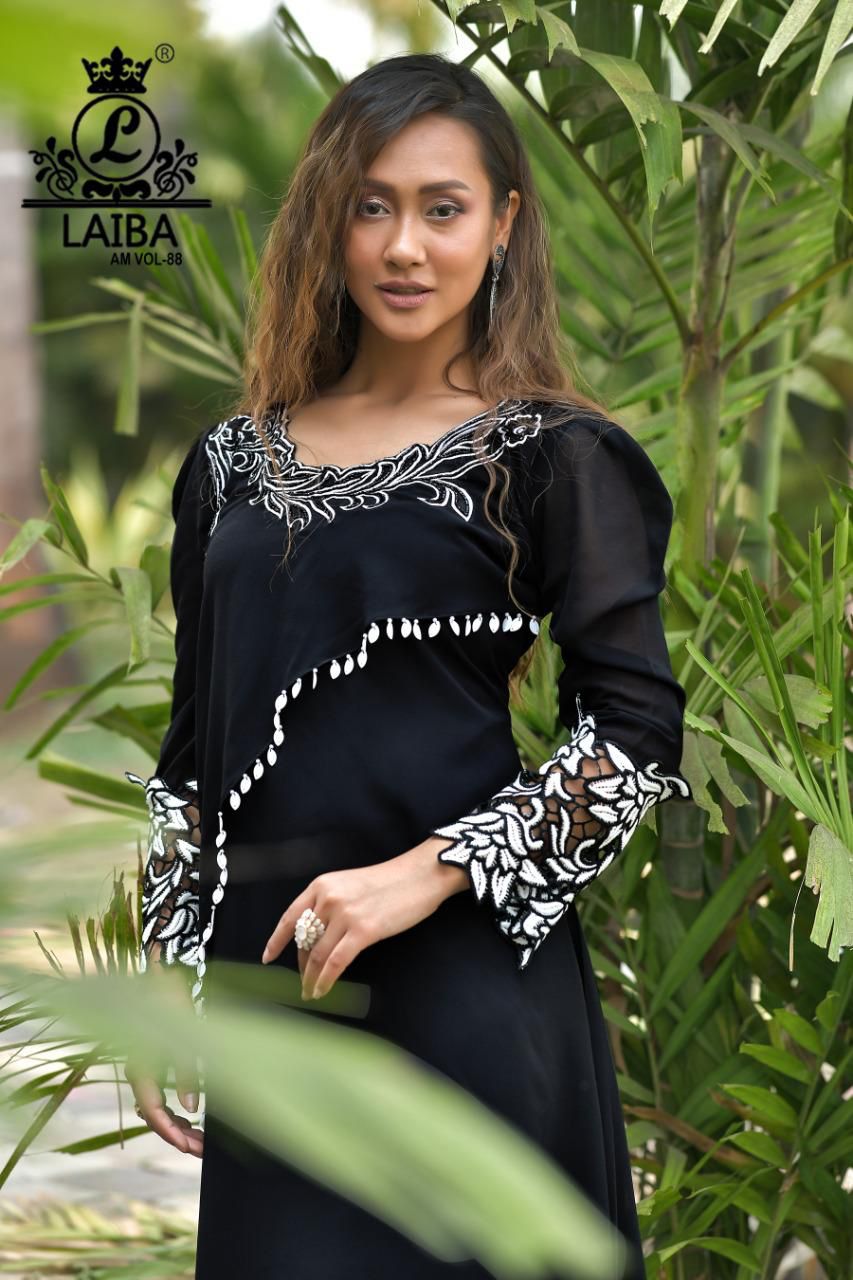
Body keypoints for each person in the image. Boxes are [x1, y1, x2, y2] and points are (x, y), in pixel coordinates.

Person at [123, 51, 692, 1280]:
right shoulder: (229, 464)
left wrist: (422, 875)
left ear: (504, 225)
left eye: (443, 208)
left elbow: (634, 731)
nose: (403, 246)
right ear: (328, 221)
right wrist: (166, 969)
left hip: (466, 988)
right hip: (275, 1001)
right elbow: (193, 751)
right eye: (370, 205)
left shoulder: (552, 455)